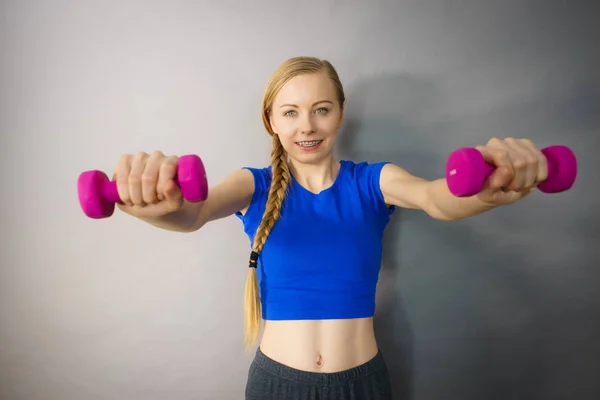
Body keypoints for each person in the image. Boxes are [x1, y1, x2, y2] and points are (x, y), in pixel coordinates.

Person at [112, 56, 549, 399]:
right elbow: (193, 213)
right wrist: (152, 206)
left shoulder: (371, 181)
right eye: (290, 112)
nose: (306, 125)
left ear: (340, 115)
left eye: (321, 109)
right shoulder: (254, 185)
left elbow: (437, 199)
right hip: (277, 386)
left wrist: (487, 191)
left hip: (362, 383)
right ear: (272, 121)